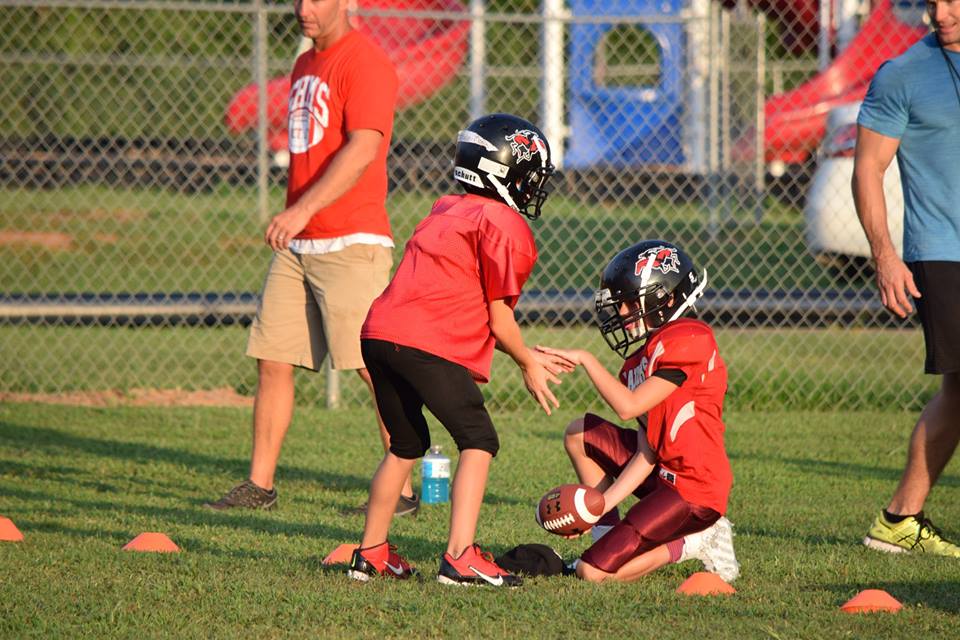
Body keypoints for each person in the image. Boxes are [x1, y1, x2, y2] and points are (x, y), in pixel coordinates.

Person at [205, 0, 419, 515]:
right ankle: (260, 485)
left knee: (374, 367)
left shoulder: (365, 61)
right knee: (273, 359)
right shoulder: (305, 63)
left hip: (350, 242)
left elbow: (363, 147)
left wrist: (300, 210)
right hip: (300, 245)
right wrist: (300, 219)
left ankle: (404, 491)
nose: (305, 8)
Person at [346, 113, 572, 587]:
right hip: (425, 344)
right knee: (479, 440)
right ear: (502, 172)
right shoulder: (503, 223)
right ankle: (460, 556)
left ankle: (370, 554)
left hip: (377, 334)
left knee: (406, 446)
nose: (533, 188)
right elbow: (499, 319)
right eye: (529, 177)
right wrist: (529, 361)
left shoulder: (448, 206)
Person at [536, 240, 740, 583]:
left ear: (667, 298)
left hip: (693, 491)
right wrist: (595, 507)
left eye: (631, 303)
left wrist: (587, 359)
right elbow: (647, 451)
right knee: (579, 432)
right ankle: (605, 537)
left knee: (591, 572)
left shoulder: (690, 337)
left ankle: (696, 541)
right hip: (661, 473)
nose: (623, 313)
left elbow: (628, 408)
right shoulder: (639, 360)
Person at [851, 0, 960, 557]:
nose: (939, 14)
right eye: (932, 1)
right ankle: (898, 520)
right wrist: (885, 256)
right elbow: (867, 167)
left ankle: (899, 520)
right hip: (944, 252)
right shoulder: (903, 74)